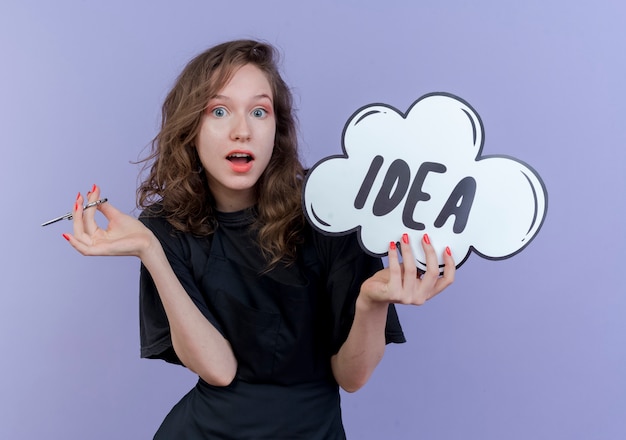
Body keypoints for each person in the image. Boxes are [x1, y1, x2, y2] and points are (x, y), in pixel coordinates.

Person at [63, 39, 455, 439]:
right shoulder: (165, 227)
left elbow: (351, 378)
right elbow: (218, 370)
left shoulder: (330, 212)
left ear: (277, 128)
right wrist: (150, 251)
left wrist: (372, 301)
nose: (242, 131)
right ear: (191, 129)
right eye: (218, 111)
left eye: (258, 111)